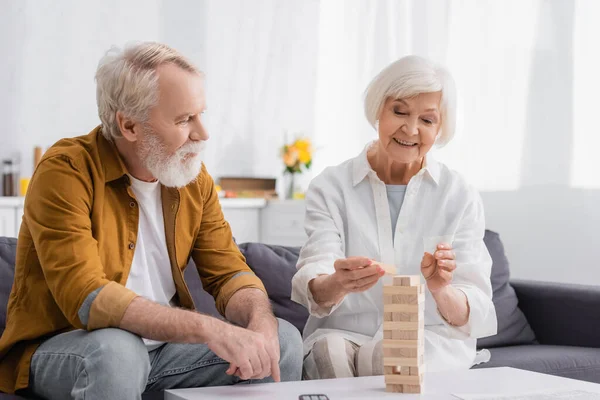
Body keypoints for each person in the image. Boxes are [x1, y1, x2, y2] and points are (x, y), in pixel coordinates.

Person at [0, 42, 303, 399]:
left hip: (163, 350)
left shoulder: (193, 179)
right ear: (129, 126)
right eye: (184, 119)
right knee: (117, 352)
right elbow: (86, 296)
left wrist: (261, 323)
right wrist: (209, 330)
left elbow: (228, 272)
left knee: (282, 339)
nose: (203, 133)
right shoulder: (66, 170)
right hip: (67, 347)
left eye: (201, 114)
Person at [291, 55, 497, 380]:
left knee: (387, 355)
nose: (411, 129)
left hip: (429, 337)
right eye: (399, 111)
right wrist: (337, 282)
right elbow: (316, 271)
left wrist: (442, 289)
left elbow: (474, 306)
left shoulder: (458, 194)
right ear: (378, 110)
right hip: (345, 332)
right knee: (325, 351)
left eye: (427, 120)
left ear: (440, 127)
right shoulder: (330, 187)